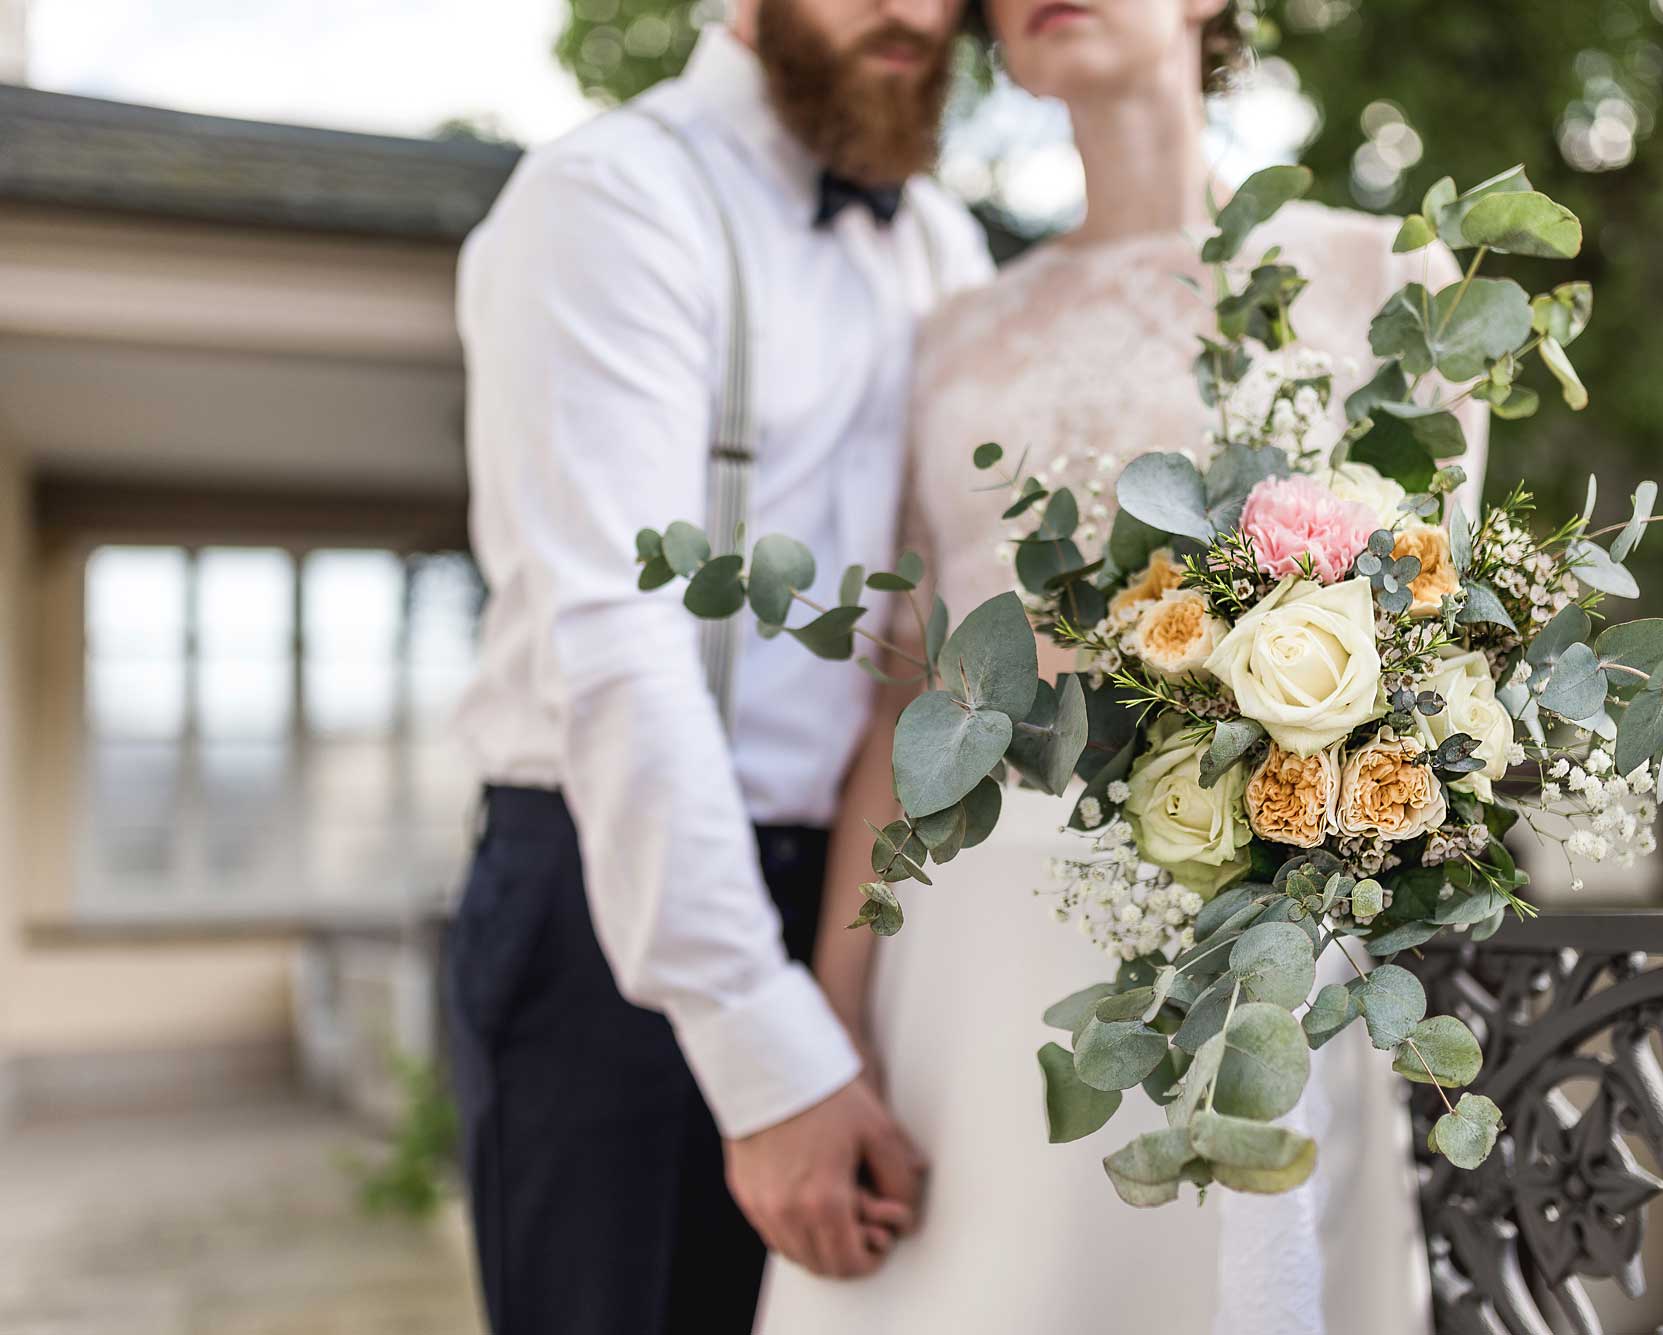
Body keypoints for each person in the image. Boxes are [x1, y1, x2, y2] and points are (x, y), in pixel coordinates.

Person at [759, 0, 1488, 1330]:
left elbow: (1440, 648)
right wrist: (831, 1022)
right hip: (972, 960)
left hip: (1257, 949)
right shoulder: (952, 338)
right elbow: (914, 693)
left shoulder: (1390, 285)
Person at [444, 0, 993, 1327]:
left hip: (869, 909)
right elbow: (618, 643)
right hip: (609, 898)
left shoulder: (942, 242)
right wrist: (767, 1051)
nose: (911, 11)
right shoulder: (610, 195)